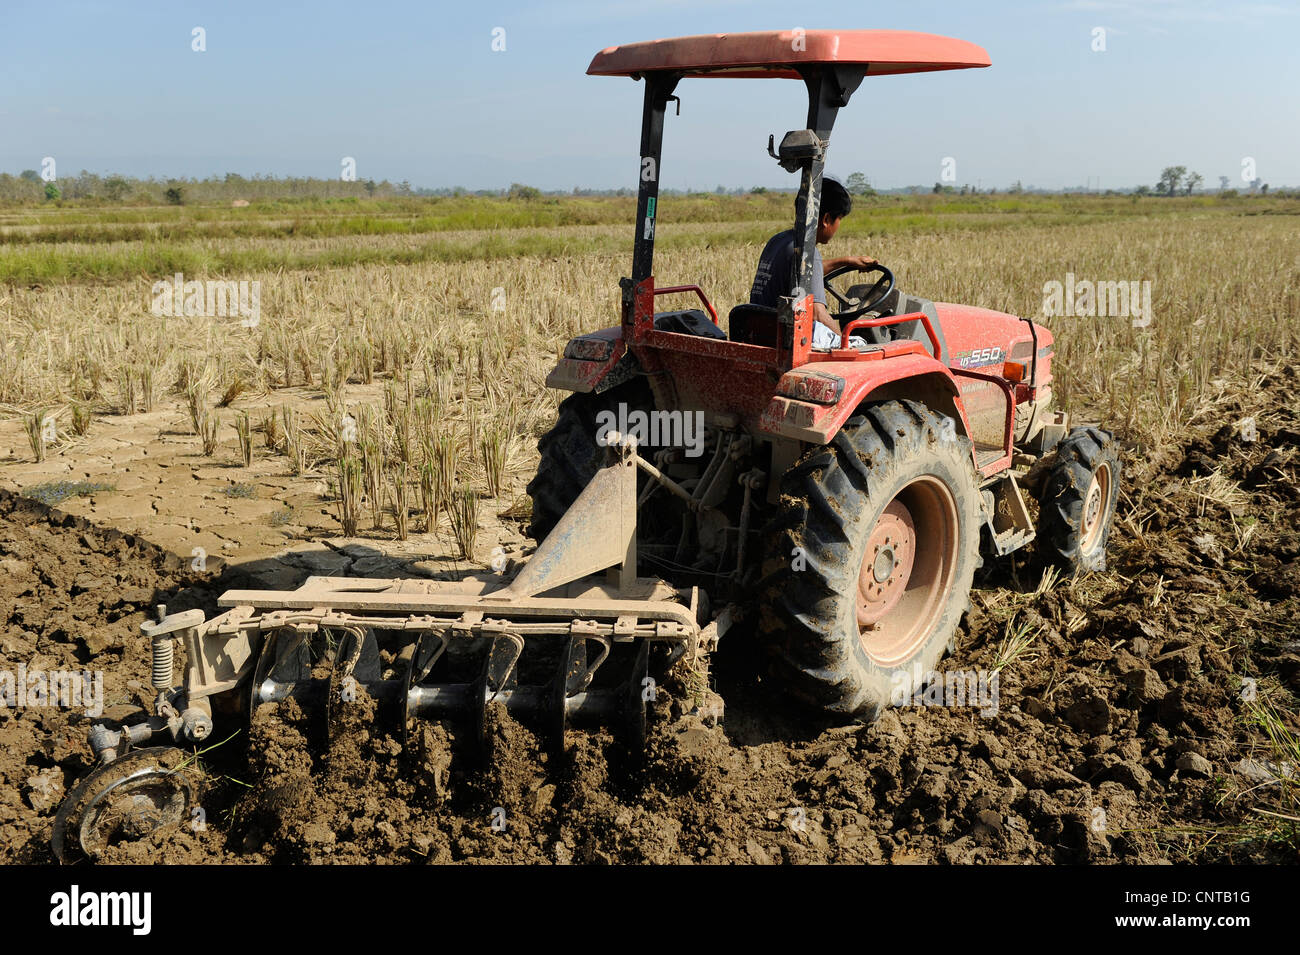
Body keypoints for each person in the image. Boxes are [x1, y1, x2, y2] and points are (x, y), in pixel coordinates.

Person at [749, 175, 876, 349]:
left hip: (762, 334)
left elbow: (800, 274)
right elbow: (817, 314)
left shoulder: (779, 241)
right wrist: (843, 342)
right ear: (826, 220)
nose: (839, 226)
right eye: (839, 219)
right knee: (862, 346)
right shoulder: (807, 253)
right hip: (788, 341)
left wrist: (847, 261)